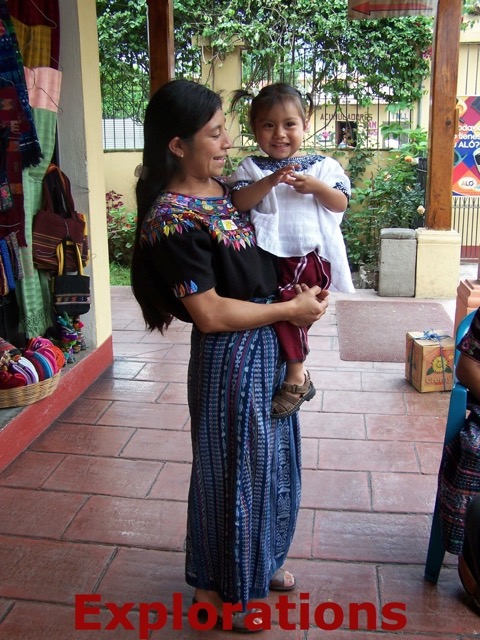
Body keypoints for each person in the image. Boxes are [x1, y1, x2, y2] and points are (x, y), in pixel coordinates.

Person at [130, 79, 328, 633]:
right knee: (231, 473)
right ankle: (221, 592)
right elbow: (211, 313)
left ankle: (256, 563)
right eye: (216, 133)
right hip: (230, 359)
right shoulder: (171, 218)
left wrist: (292, 305)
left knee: (268, 465)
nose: (228, 141)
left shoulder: (216, 188)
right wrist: (288, 312)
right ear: (176, 144)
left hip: (264, 345)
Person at [227, 83, 354, 419]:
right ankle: (296, 373)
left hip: (309, 255)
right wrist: (269, 182)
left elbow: (340, 201)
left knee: (290, 308)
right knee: (284, 311)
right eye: (268, 125)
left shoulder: (323, 166)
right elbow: (239, 200)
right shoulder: (252, 168)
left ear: (305, 124)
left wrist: (315, 187)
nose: (279, 134)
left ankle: (297, 375)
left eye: (289, 124)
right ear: (254, 128)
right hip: (268, 256)